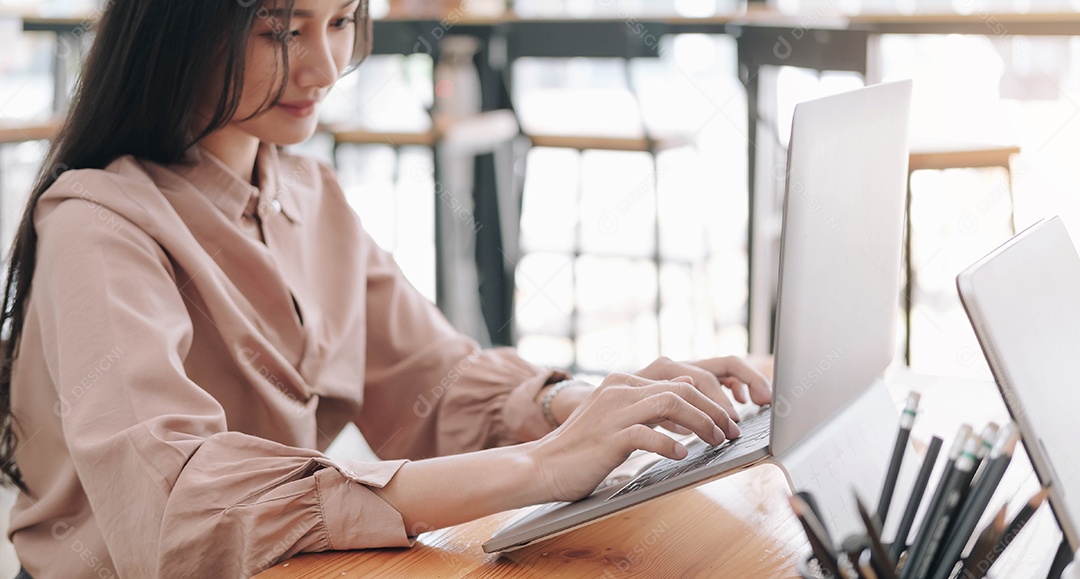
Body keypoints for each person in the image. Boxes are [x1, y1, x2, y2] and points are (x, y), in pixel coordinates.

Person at [0, 1, 771, 577]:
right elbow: (171, 505)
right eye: (281, 29)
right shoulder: (96, 224)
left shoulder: (307, 191)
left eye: (340, 20)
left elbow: (432, 380)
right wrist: (538, 468)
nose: (327, 68)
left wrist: (596, 403)